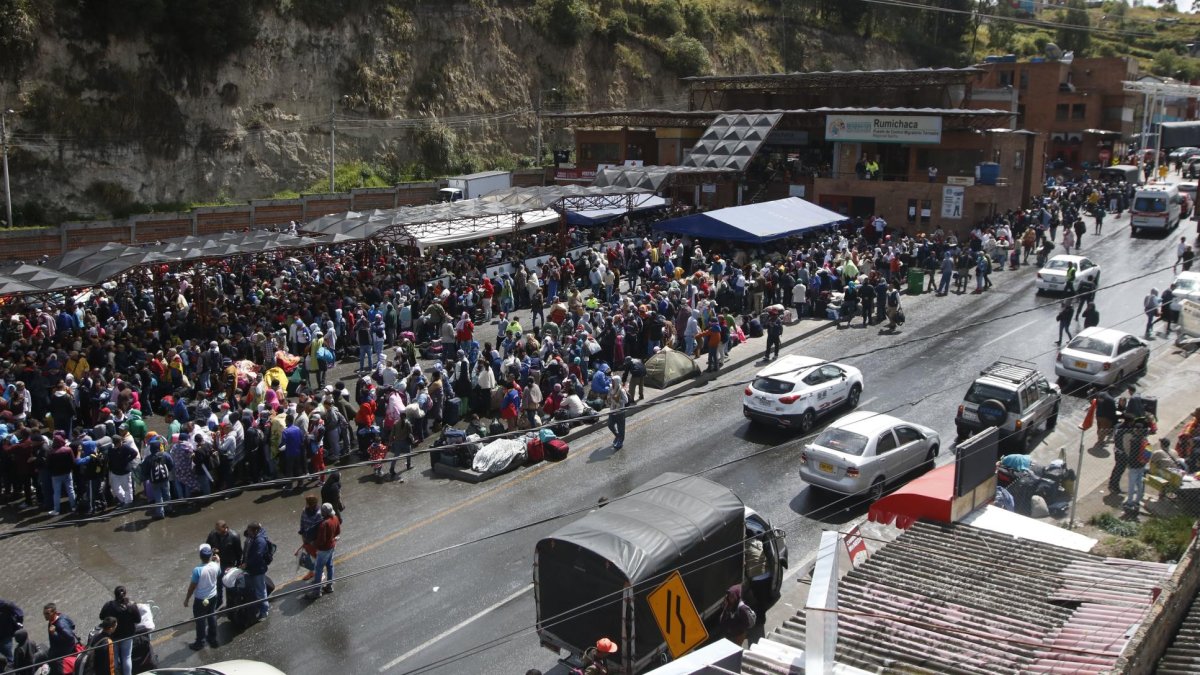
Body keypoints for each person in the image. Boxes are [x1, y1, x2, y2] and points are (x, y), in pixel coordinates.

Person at [183, 543, 221, 650]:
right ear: (210, 556)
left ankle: (200, 642)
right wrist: (218, 561)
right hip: (213, 596)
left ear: (200, 556)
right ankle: (213, 639)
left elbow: (192, 587)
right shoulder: (215, 565)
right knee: (212, 616)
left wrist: (186, 599)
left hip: (201, 599)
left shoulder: (197, 570)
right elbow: (219, 574)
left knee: (200, 621)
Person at [98, 586, 140, 675]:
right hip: (128, 635)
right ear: (125, 594)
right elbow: (138, 620)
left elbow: (101, 617)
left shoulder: (108, 605)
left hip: (113, 636)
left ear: (115, 594)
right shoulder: (131, 605)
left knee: (114, 657)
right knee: (127, 657)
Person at [307, 503, 341, 599]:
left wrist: (313, 543)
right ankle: (329, 586)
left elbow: (321, 541)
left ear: (324, 512)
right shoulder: (335, 518)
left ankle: (317, 592)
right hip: (332, 546)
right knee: (330, 565)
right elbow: (338, 532)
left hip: (324, 550)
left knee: (318, 570)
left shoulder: (324, 524)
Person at [205, 520, 242, 610]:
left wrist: (238, 566)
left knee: (229, 584)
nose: (218, 532)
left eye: (219, 531)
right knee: (217, 584)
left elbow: (239, 553)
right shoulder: (213, 534)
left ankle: (230, 603)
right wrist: (211, 551)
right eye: (217, 530)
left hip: (229, 564)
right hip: (216, 563)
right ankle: (219, 601)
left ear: (226, 528)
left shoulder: (234, 536)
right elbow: (207, 546)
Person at [241, 522, 272, 622]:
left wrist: (247, 564)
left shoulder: (260, 541)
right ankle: (262, 607)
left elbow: (257, 555)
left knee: (260, 590)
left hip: (258, 569)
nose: (248, 532)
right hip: (253, 568)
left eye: (249, 530)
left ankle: (264, 611)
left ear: (255, 530)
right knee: (258, 589)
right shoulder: (254, 537)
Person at [43, 602, 78, 675]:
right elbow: (72, 625)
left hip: (62, 652)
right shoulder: (61, 616)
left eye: (47, 614)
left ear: (54, 613)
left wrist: (54, 634)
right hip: (55, 648)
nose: (45, 616)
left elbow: (70, 638)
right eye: (44, 613)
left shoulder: (60, 624)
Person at [606, 375, 629, 450]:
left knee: (621, 428)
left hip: (620, 412)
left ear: (616, 382)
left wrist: (618, 401)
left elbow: (626, 400)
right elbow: (609, 397)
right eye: (611, 381)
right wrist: (609, 399)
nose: (612, 383)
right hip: (612, 410)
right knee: (610, 424)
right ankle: (617, 436)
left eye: (613, 382)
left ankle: (620, 441)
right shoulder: (611, 388)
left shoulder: (621, 390)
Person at [0, 599, 22, 664]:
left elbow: (20, 613)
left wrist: (19, 624)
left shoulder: (6, 605)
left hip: (5, 637)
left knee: (9, 659)